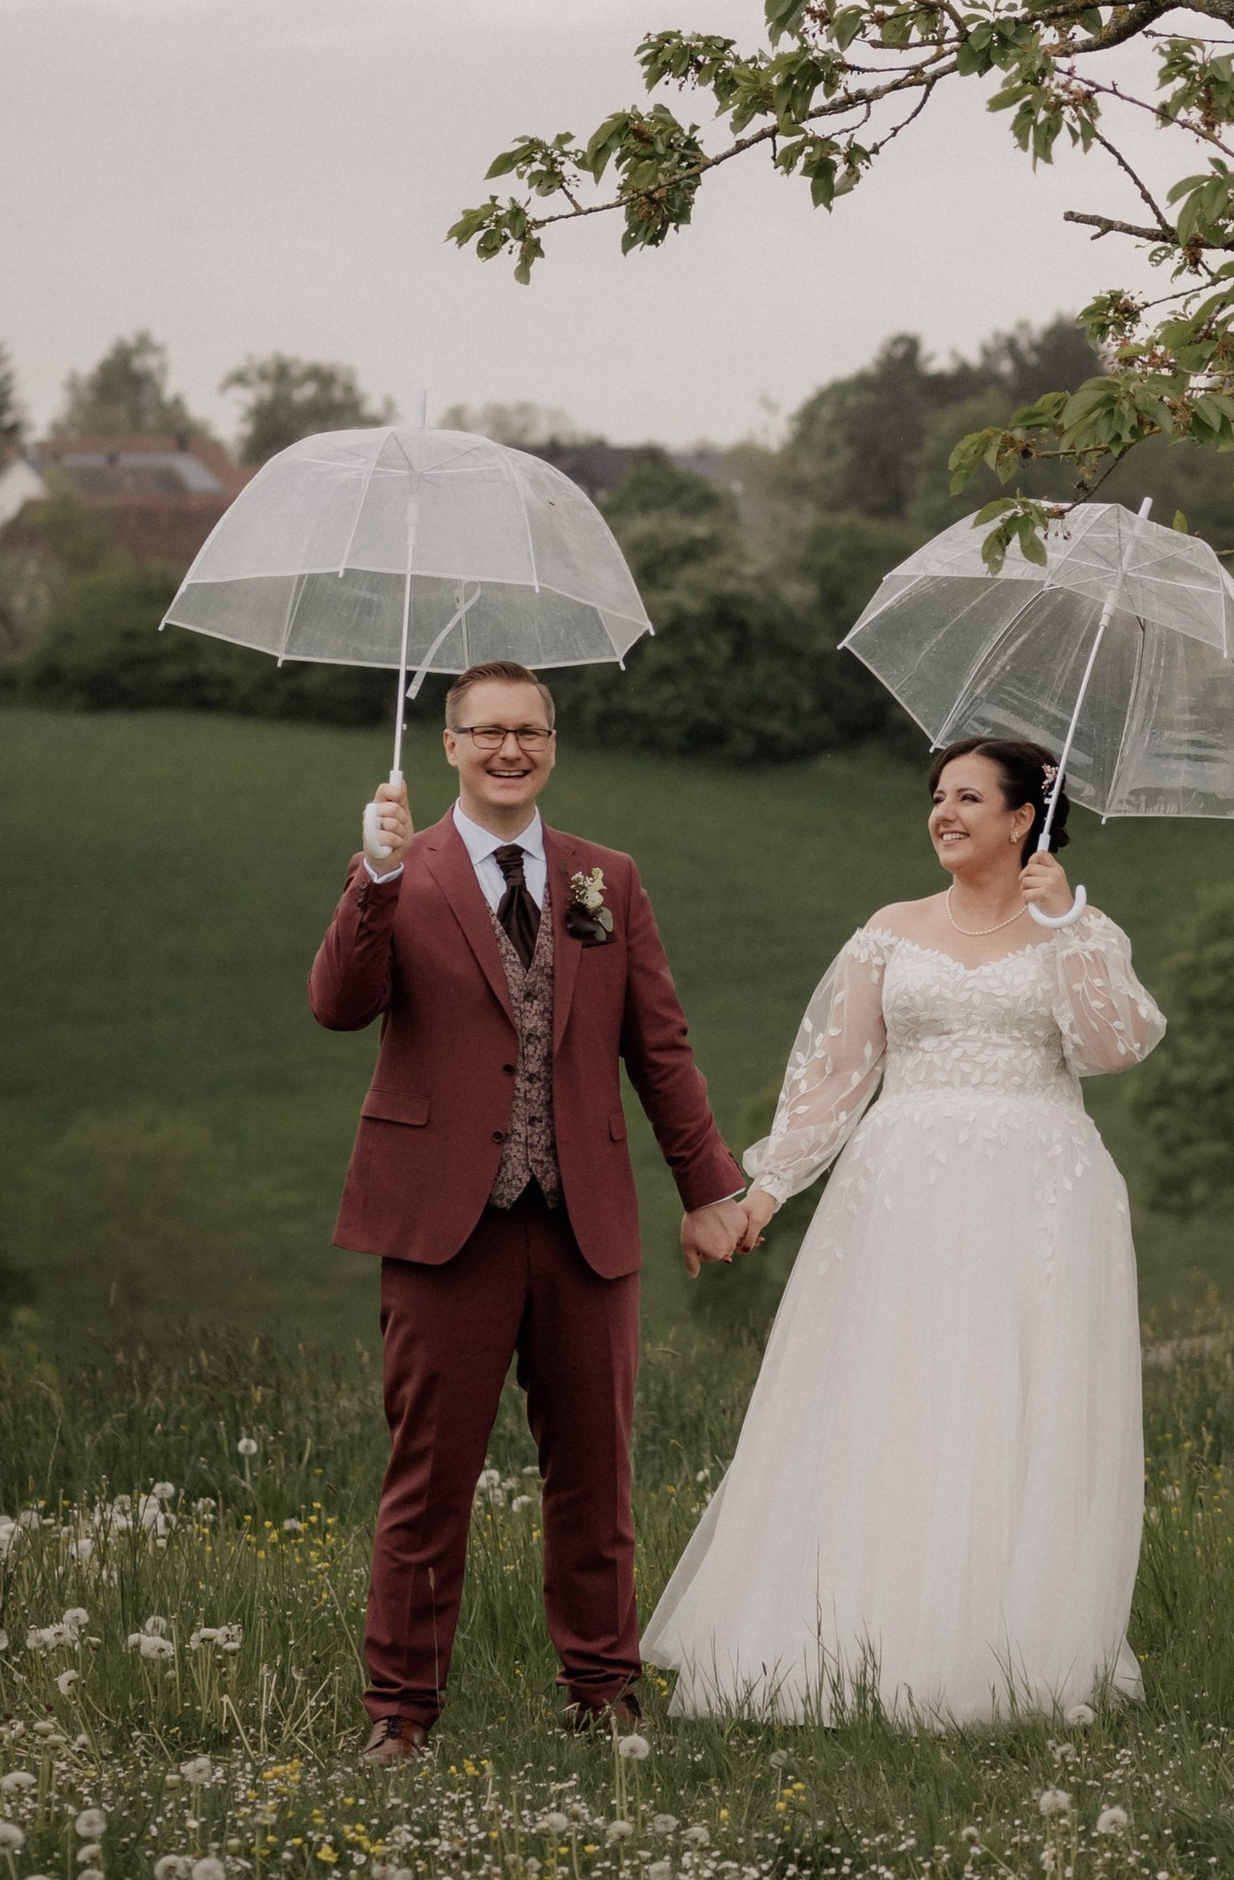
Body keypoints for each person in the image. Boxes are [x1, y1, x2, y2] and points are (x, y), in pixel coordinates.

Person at [644, 735, 1166, 1724]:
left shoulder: (1076, 927)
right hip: (901, 1198)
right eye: (936, 795)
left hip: (1038, 1197)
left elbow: (1113, 1044)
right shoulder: (889, 929)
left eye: (969, 795)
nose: (944, 811)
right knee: (892, 1397)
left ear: (1025, 817)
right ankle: (847, 1637)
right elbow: (829, 1088)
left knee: (1017, 1403)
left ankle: (1006, 1653)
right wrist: (756, 1194)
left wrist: (1070, 924)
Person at [308, 656, 752, 1757]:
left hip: (582, 1222)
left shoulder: (608, 877)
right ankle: (398, 1715)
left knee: (596, 1477)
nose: (511, 747)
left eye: (531, 730)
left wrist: (709, 1189)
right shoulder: (398, 870)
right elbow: (337, 1004)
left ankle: (602, 1694)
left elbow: (661, 1044)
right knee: (428, 1478)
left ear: (552, 744)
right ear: (449, 742)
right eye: (488, 729)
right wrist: (368, 874)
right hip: (439, 1223)